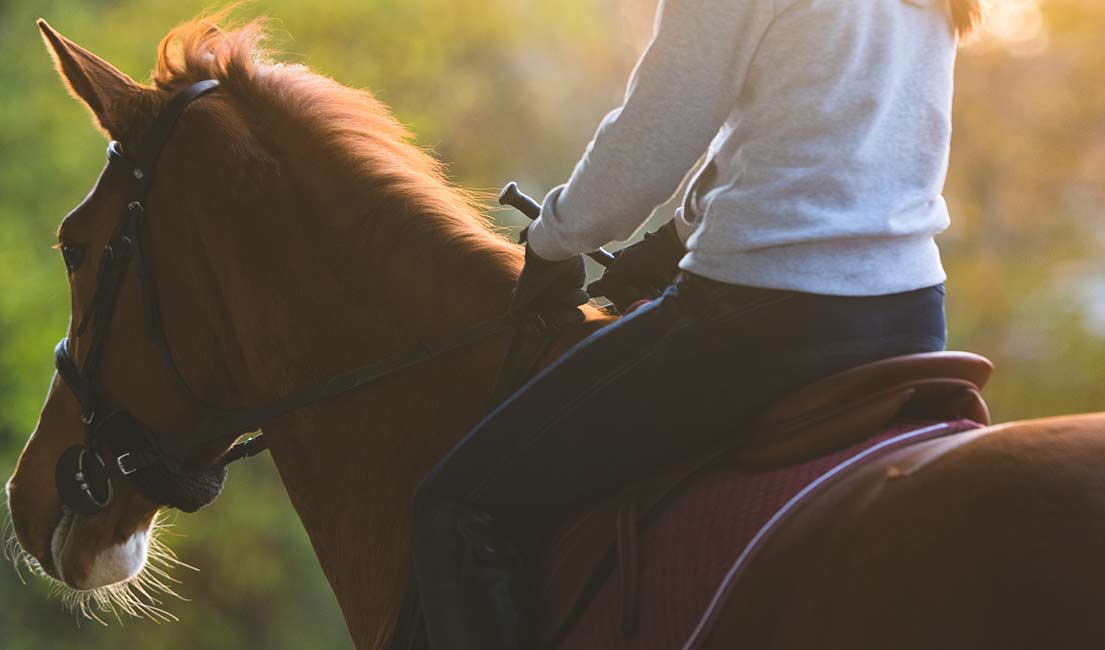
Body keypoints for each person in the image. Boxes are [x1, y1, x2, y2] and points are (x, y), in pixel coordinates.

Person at [405, 0, 982, 646]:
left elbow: (655, 134)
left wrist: (553, 239)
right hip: (910, 312)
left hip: (763, 320)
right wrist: (676, 236)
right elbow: (817, 113)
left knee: (457, 506)